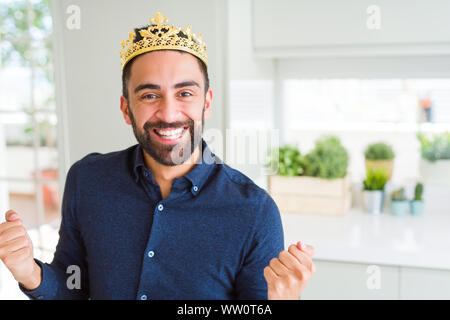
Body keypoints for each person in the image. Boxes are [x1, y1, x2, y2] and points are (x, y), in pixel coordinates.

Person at [0, 12, 315, 300]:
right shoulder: (87, 180)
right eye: (150, 95)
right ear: (127, 109)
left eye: (184, 93)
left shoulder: (255, 211)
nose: (168, 113)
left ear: (206, 102)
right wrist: (29, 272)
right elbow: (73, 287)